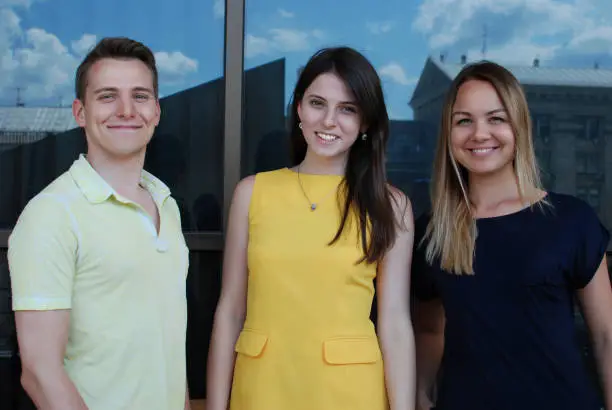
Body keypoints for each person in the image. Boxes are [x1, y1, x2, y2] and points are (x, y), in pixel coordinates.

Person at [206, 47, 416, 410]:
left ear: (365, 122)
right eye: (318, 103)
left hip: (352, 393)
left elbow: (395, 324)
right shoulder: (252, 193)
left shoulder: (391, 205)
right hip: (261, 389)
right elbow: (230, 311)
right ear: (299, 108)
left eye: (347, 109)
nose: (329, 120)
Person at [411, 60, 612, 410]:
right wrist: (421, 398)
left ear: (519, 126)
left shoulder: (571, 220)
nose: (479, 133)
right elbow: (429, 331)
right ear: (449, 133)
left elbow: (607, 338)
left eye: (496, 118)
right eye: (464, 121)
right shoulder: (433, 230)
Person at [8, 37, 190, 410]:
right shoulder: (52, 214)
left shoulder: (165, 204)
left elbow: (166, 354)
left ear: (156, 111)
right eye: (108, 96)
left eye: (140, 96)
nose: (126, 110)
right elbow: (40, 373)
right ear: (79, 112)